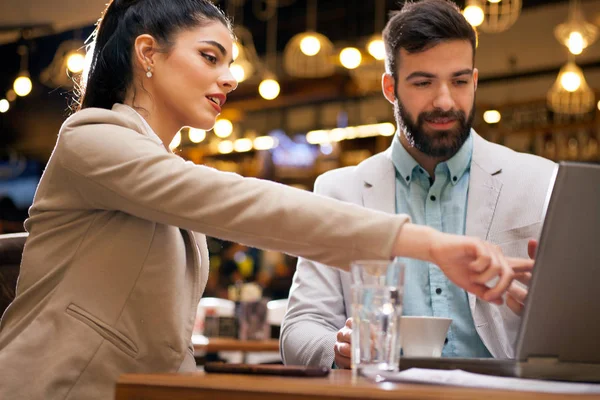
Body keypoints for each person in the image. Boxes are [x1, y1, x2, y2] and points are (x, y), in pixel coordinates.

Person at [0, 1, 530, 399]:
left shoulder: (151, 168)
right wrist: (429, 244)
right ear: (147, 54)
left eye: (229, 61)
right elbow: (244, 204)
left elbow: (164, 346)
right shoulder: (90, 138)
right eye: (210, 57)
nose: (229, 78)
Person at [280, 0, 556, 369]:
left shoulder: (541, 180)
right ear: (390, 88)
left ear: (474, 82)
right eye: (423, 82)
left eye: (458, 81)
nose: (444, 101)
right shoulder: (338, 192)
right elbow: (300, 326)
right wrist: (337, 348)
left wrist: (557, 309)